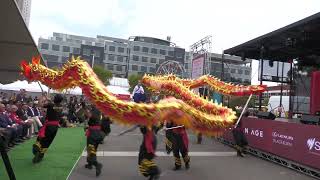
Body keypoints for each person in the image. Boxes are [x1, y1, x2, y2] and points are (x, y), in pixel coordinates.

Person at [32, 94, 64, 163]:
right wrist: (48, 101)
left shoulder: (51, 104)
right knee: (48, 141)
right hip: (55, 127)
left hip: (49, 126)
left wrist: (41, 98)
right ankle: (40, 155)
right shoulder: (60, 107)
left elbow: (40, 105)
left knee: (41, 138)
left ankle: (37, 149)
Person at [84, 106, 104, 176]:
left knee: (90, 150)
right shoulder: (98, 109)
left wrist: (85, 108)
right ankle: (89, 164)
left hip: (93, 133)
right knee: (93, 150)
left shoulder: (95, 109)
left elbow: (89, 115)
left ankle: (97, 165)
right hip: (97, 132)